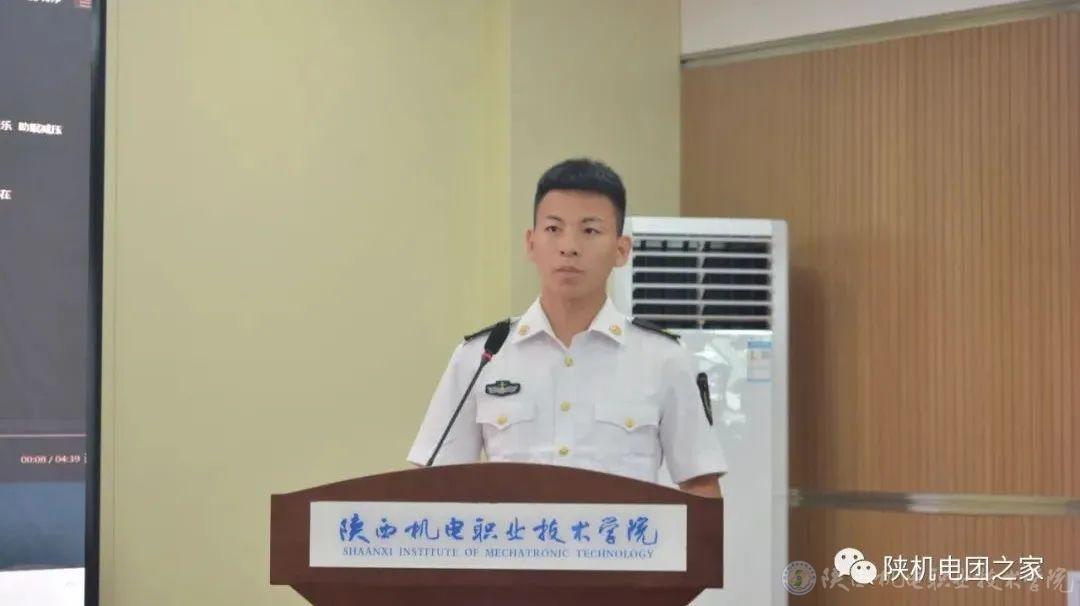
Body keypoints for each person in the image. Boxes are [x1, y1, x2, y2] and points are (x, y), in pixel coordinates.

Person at [406, 158, 726, 497]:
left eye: (589, 231)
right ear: (531, 243)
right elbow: (433, 483)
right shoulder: (482, 356)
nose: (569, 246)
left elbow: (699, 483)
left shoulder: (664, 359)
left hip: (621, 535)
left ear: (621, 250)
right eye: (553, 229)